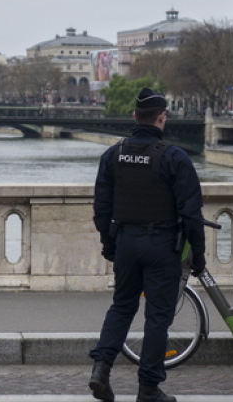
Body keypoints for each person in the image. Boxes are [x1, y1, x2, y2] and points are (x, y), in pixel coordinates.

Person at [88, 88, 206, 402]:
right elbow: (191, 213)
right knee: (157, 317)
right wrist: (200, 255)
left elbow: (101, 207)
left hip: (126, 241)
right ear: (161, 118)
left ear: (133, 117)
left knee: (122, 306)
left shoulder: (113, 154)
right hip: (162, 245)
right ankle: (149, 388)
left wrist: (109, 242)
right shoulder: (173, 157)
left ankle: (101, 368)